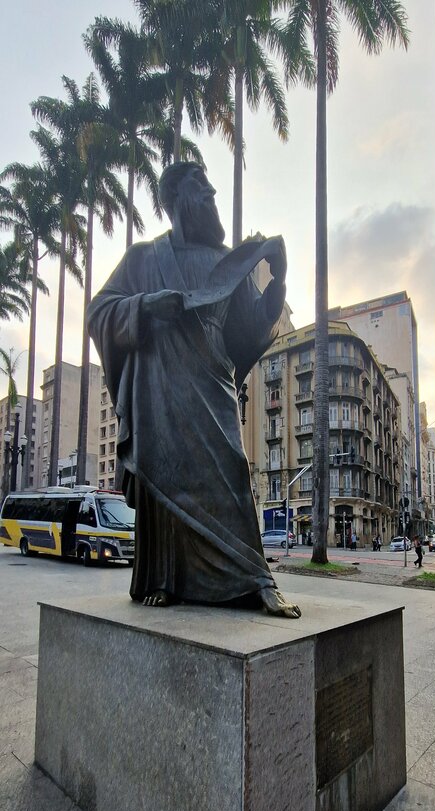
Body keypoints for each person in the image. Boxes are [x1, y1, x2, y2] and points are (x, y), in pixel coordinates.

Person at [87, 161, 301, 618]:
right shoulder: (144, 259)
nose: (210, 193)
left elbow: (246, 331)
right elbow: (99, 311)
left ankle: (255, 577)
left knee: (233, 473)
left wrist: (276, 279)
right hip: (159, 390)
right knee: (164, 478)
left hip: (212, 383)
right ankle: (164, 579)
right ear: (177, 198)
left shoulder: (224, 263)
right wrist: (145, 306)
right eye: (200, 186)